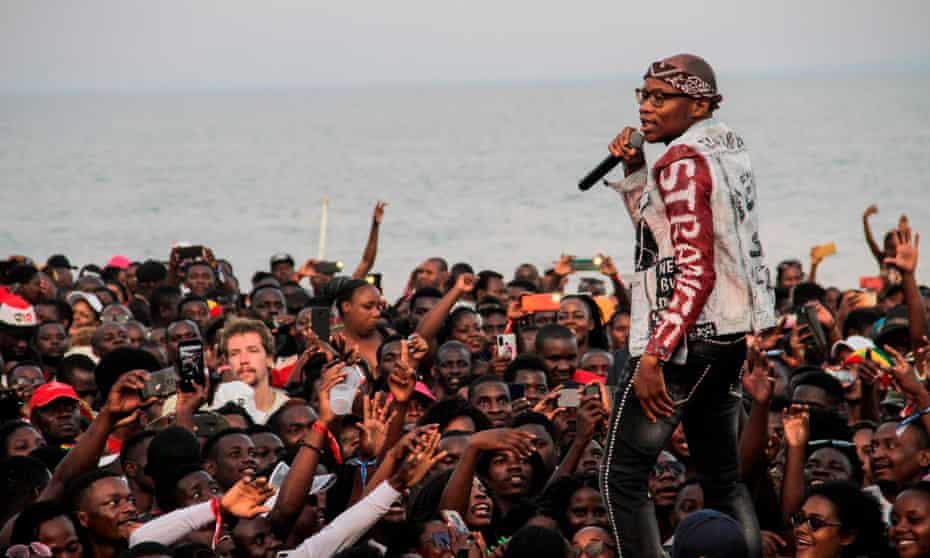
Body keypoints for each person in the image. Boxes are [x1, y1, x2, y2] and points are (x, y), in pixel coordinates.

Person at [601, 53, 776, 558]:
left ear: (698, 103)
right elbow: (662, 235)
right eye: (643, 95)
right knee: (723, 477)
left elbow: (694, 270)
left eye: (660, 98)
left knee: (622, 475)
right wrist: (637, 168)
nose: (646, 108)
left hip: (685, 340)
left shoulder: (681, 160)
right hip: (731, 334)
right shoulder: (727, 146)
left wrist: (655, 354)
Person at [223, 318, 288, 423]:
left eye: (253, 351)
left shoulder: (290, 410)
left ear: (269, 358)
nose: (244, 360)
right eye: (234, 353)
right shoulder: (212, 414)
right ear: (227, 363)